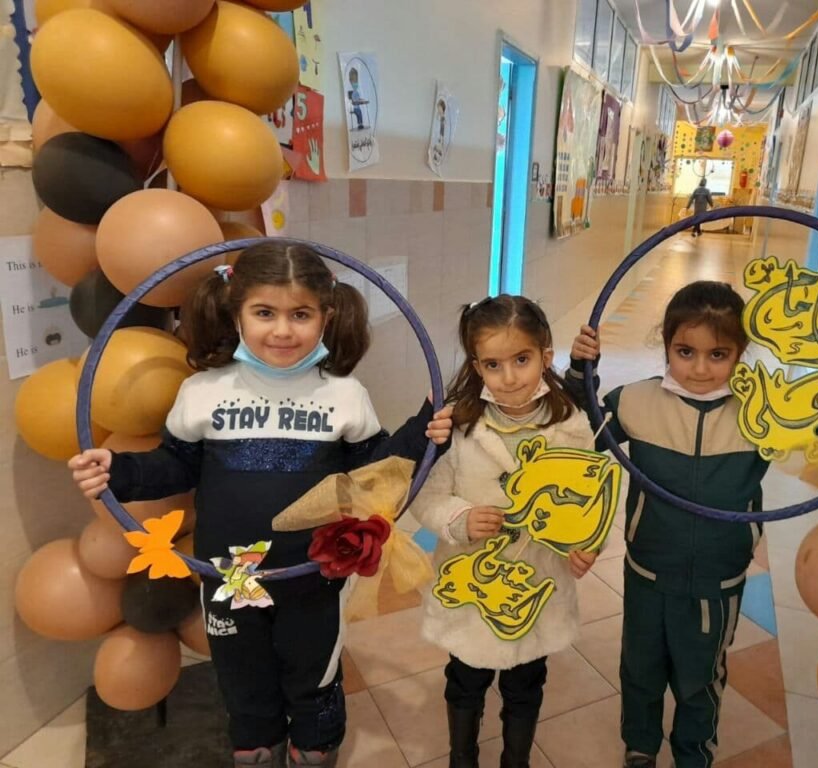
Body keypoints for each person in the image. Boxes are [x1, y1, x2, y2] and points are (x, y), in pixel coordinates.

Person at [68, 244, 453, 768]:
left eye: (301, 315)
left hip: (315, 574)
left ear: (327, 316)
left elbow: (372, 471)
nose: (283, 331)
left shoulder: (345, 394)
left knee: (313, 669)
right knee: (240, 671)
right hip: (228, 574)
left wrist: (423, 431)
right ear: (236, 313)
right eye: (265, 313)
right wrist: (118, 470)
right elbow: (176, 466)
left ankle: (315, 744)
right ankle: (254, 743)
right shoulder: (202, 391)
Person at [566, 281, 818, 768]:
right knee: (639, 668)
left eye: (718, 354)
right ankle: (640, 746)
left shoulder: (766, 410)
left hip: (717, 578)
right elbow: (578, 436)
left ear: (740, 353)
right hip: (647, 570)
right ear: (666, 346)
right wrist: (580, 372)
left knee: (701, 676)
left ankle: (693, 754)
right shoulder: (634, 401)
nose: (700, 368)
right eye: (685, 352)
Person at [407, 295, 601, 768]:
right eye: (494, 365)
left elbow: (590, 499)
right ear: (477, 366)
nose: (509, 377)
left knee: (526, 682)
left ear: (545, 356)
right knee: (465, 679)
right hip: (471, 583)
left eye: (521, 360)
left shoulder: (570, 423)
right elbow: (427, 497)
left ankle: (517, 760)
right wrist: (460, 519)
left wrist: (585, 544)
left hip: (537, 582)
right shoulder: (457, 422)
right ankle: (462, 758)